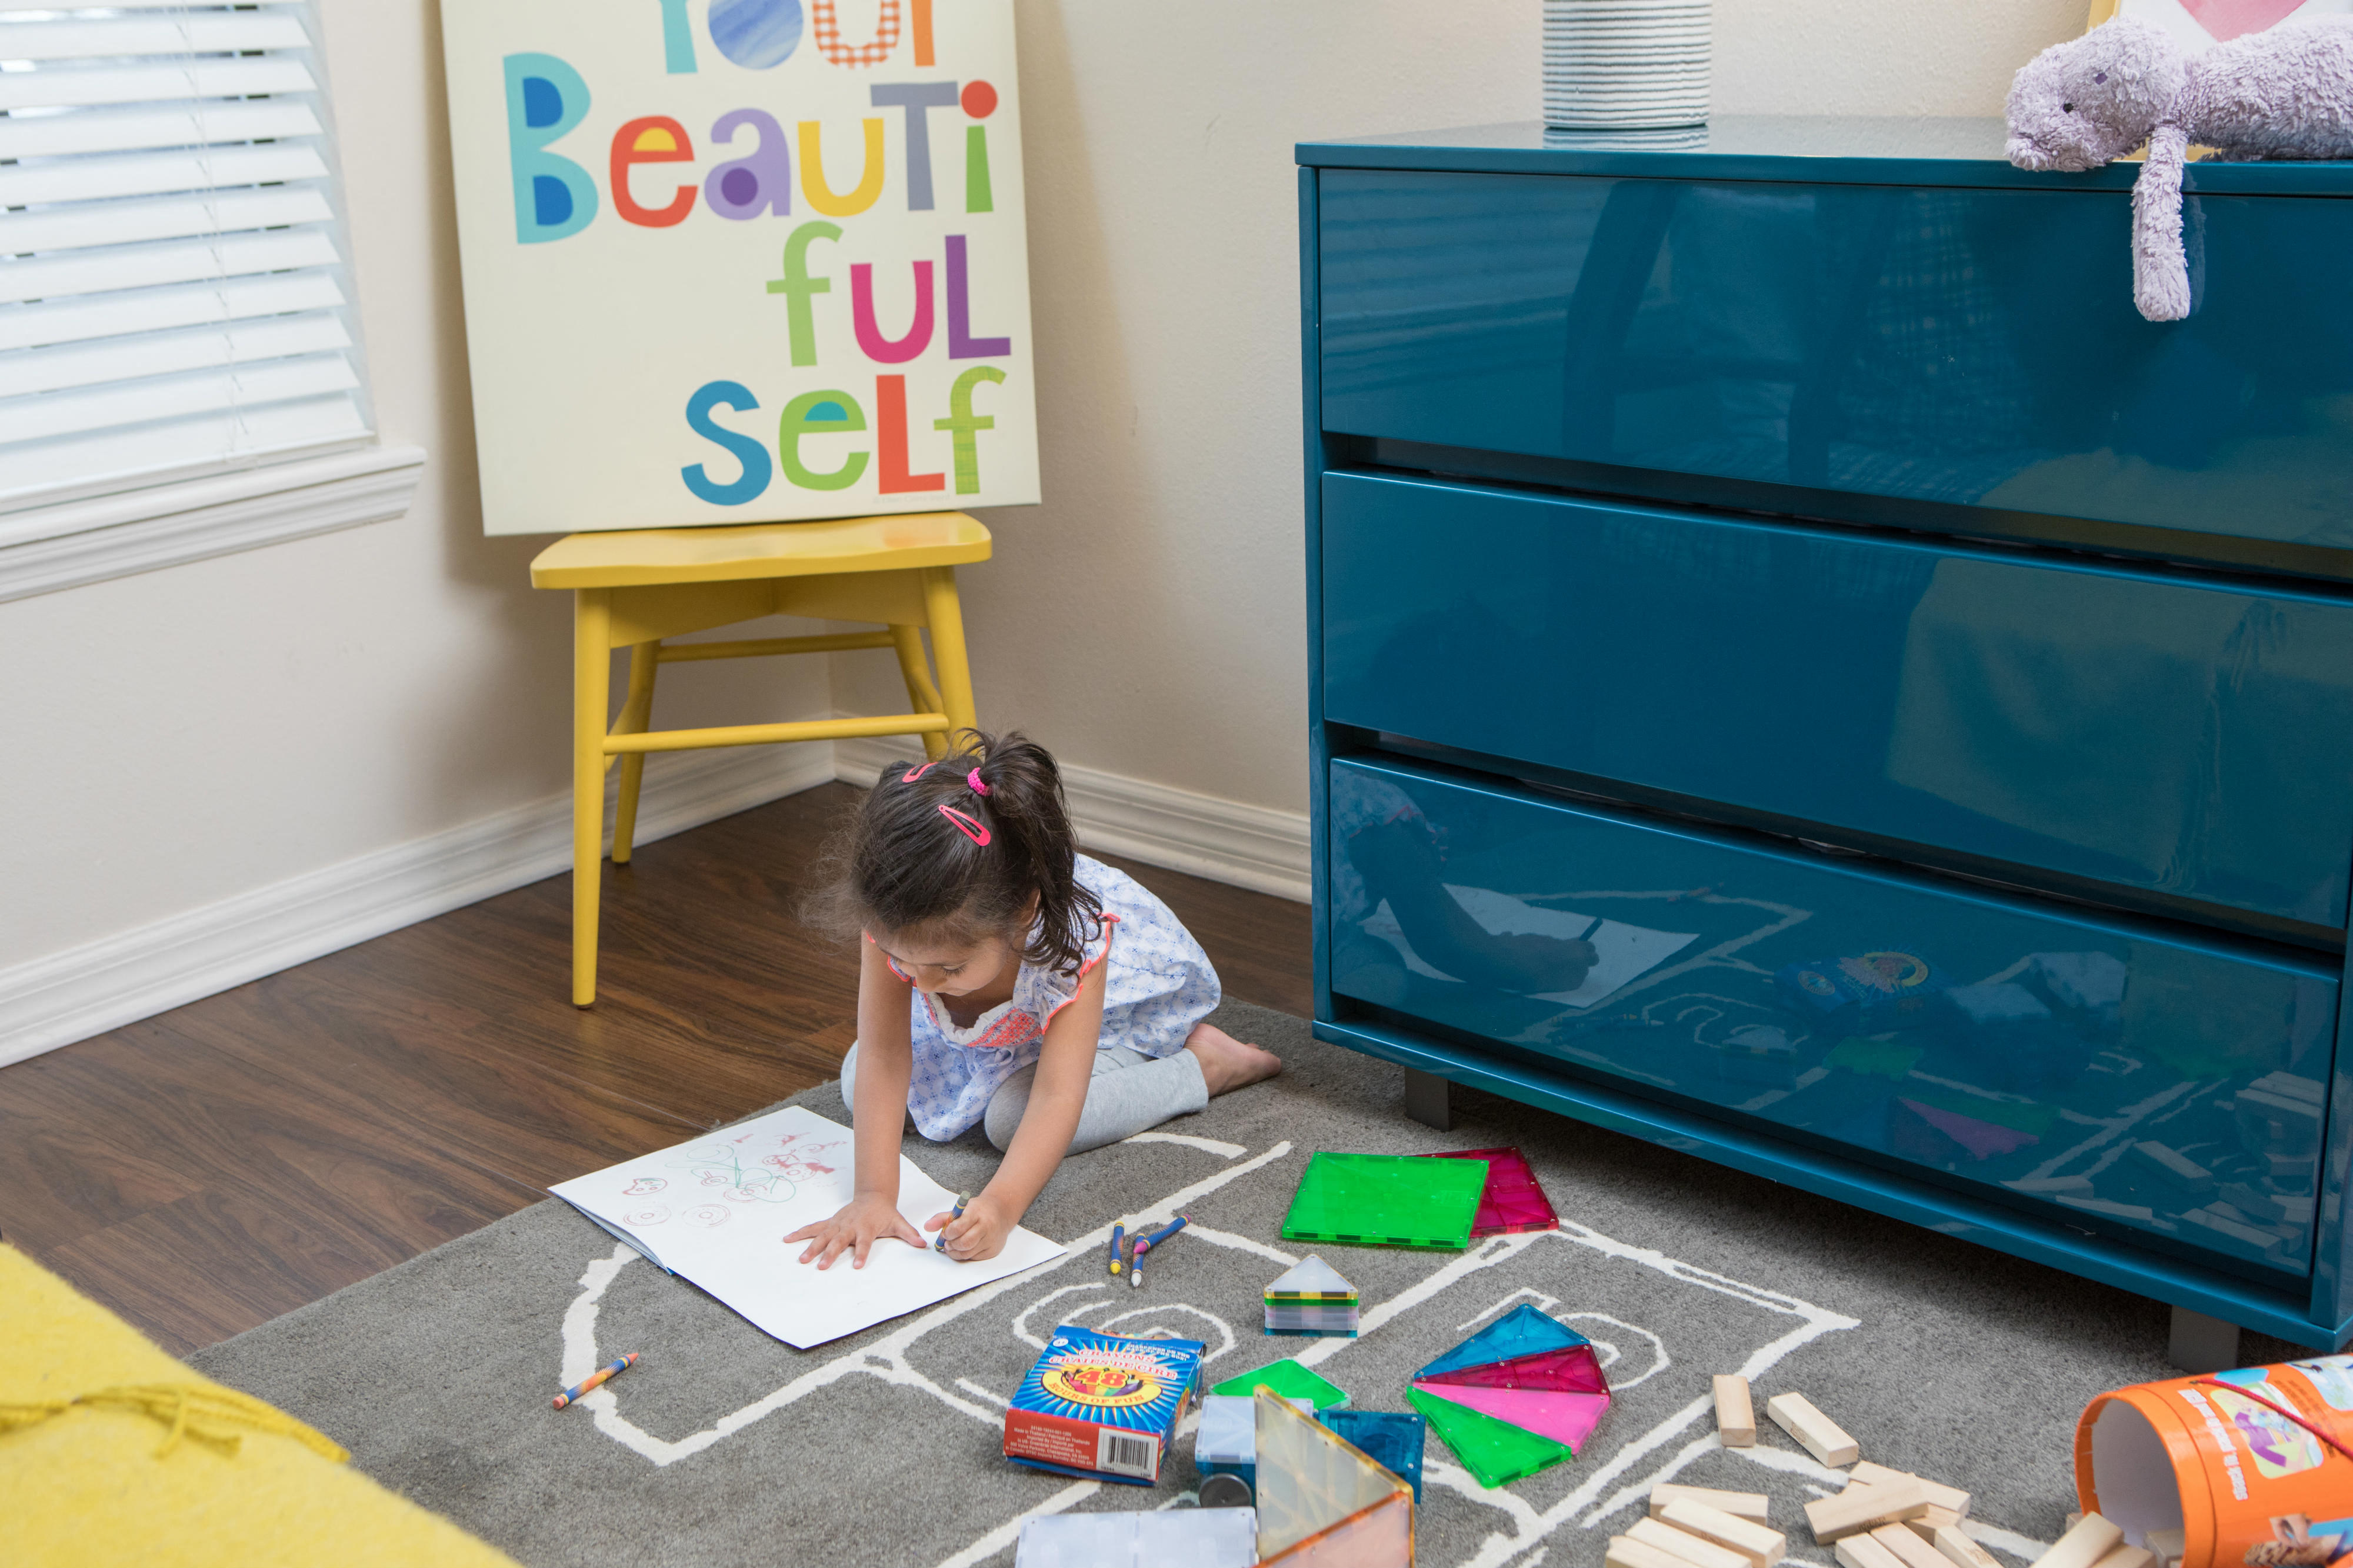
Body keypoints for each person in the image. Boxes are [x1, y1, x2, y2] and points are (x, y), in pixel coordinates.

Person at [785, 731, 1282, 1268]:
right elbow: (884, 1054)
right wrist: (873, 1197)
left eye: (948, 968)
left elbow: (1056, 1098)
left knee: (1011, 1121)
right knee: (859, 1076)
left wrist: (1000, 1206)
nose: (919, 984)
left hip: (1111, 1012)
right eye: (903, 963)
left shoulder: (1072, 943)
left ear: (1021, 913)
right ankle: (979, 1017)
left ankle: (1203, 1067)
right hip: (998, 1019)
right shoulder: (895, 919)